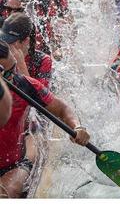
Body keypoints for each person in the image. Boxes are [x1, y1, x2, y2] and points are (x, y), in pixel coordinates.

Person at [0, 40, 90, 198]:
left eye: (14, 68)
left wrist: (77, 127)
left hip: (13, 165)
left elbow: (62, 109)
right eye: (7, 74)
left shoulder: (24, 85)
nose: (14, 76)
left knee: (7, 193)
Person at [0, 13, 52, 88]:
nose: (6, 44)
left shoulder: (42, 60)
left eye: (10, 41)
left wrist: (21, 65)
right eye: (3, 38)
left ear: (26, 41)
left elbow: (39, 98)